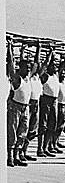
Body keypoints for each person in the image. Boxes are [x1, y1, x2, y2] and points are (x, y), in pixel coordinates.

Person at [6, 39, 32, 167]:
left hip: (26, 108)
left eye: (29, 68)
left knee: (22, 133)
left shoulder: (28, 78)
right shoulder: (17, 78)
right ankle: (10, 157)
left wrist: (22, 50)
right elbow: (11, 64)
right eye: (26, 68)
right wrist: (10, 47)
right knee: (13, 132)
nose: (28, 70)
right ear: (20, 68)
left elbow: (37, 65)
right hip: (15, 107)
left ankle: (17, 156)